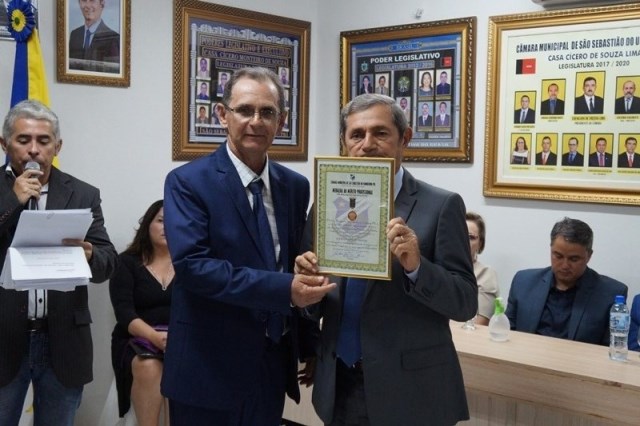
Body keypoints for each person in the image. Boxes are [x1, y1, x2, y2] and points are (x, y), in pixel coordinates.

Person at [161, 67, 334, 425]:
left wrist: (309, 342)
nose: (256, 121)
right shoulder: (188, 182)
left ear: (281, 122)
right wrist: (285, 289)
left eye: (267, 112)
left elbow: (296, 263)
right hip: (207, 367)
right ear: (222, 115)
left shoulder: (295, 186)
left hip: (270, 363)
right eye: (244, 110)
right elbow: (194, 268)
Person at [295, 93, 477, 426]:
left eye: (380, 133)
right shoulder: (326, 204)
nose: (367, 144)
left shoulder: (441, 205)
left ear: (404, 138)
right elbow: (313, 304)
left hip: (411, 392)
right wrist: (305, 288)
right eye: (356, 134)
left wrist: (417, 267)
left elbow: (465, 303)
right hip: (339, 383)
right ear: (344, 143)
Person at [0, 99, 118, 425]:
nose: (34, 150)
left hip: (63, 341)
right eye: (23, 140)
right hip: (4, 337)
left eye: (43, 140)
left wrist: (90, 254)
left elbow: (108, 262)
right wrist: (12, 200)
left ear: (57, 146)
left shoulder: (82, 193)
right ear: (5, 144)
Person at [505, 217, 627, 346]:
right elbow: (507, 333)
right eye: (558, 256)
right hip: (528, 355)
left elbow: (613, 348)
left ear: (589, 256)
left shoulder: (611, 294)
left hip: (579, 358)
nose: (564, 265)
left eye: (573, 259)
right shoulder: (523, 282)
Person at [110, 200, 173, 425]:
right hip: (136, 338)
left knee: (188, 366)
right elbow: (124, 313)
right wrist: (154, 337)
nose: (167, 227)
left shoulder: (191, 264)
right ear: (148, 224)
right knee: (148, 366)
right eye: (161, 221)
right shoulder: (126, 262)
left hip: (180, 339)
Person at [466, 212, 499, 326]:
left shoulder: (486, 274)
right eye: (459, 234)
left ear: (480, 243)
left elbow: (480, 323)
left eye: (470, 237)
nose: (464, 240)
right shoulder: (438, 268)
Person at [68, 0, 120, 70]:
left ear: (102, 4)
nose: (87, 5)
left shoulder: (113, 38)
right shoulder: (74, 34)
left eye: (92, 0)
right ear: (79, 3)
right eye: (84, 0)